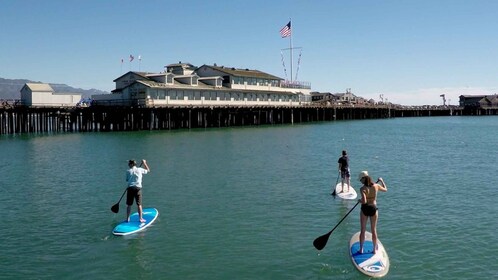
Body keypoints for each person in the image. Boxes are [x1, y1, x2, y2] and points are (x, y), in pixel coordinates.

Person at [357, 171, 387, 254]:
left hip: (365, 209)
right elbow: (385, 189)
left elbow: (364, 201)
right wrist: (381, 180)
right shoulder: (376, 186)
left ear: (363, 179)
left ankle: (361, 249)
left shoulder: (362, 189)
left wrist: (360, 200)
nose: (360, 181)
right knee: (373, 230)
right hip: (373, 208)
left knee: (363, 230)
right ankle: (374, 250)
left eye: (360, 180)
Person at [126, 159, 151, 223]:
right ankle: (140, 219)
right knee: (139, 204)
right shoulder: (140, 169)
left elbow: (127, 180)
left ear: (132, 164)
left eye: (129, 163)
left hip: (130, 188)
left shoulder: (128, 171)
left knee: (129, 205)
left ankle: (128, 218)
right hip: (137, 188)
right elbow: (148, 170)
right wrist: (145, 163)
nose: (128, 164)